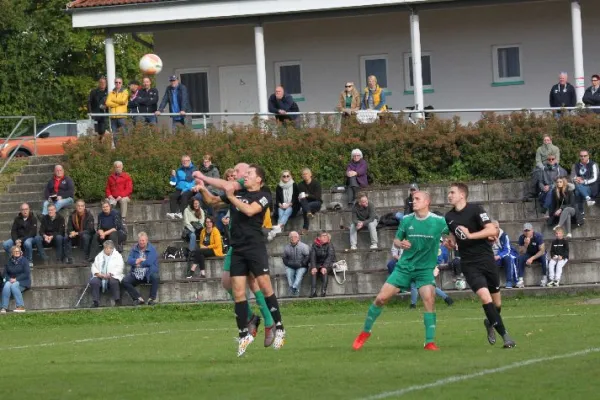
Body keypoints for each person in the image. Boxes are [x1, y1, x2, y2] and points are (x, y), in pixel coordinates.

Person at [193, 163, 277, 349]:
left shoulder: (253, 189)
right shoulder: (241, 188)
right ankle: (252, 317)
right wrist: (203, 188)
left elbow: (228, 188)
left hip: (251, 242)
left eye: (239, 172)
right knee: (227, 282)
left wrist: (204, 178)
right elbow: (214, 201)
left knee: (253, 283)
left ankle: (268, 321)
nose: (236, 175)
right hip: (237, 244)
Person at [352, 191, 449, 351]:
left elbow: (453, 233)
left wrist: (451, 241)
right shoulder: (406, 220)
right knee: (381, 299)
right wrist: (400, 243)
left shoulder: (439, 221)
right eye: (412, 199)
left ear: (427, 202)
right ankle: (365, 332)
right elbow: (396, 240)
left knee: (429, 301)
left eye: (417, 199)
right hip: (404, 267)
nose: (413, 201)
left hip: (425, 269)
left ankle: (429, 342)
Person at [213, 164, 286, 356]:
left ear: (258, 178)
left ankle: (277, 327)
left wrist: (229, 196)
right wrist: (201, 182)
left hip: (254, 246)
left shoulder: (264, 194)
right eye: (239, 173)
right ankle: (245, 333)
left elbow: (249, 211)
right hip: (237, 248)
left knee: (262, 286)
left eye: (247, 173)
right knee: (236, 290)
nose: (241, 176)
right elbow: (217, 193)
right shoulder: (239, 190)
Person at [444, 182, 516, 348]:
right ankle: (506, 337)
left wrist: (470, 235)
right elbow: (454, 236)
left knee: (497, 304)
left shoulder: (476, 210)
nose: (449, 195)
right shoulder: (449, 217)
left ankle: (490, 322)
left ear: (462, 195)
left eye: (452, 192)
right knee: (485, 297)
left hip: (486, 260)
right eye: (449, 193)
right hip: (469, 263)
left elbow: (492, 231)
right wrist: (451, 242)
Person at [409, 240, 454, 308]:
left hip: (425, 267)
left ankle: (413, 304)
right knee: (429, 285)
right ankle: (447, 299)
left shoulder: (432, 247)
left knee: (414, 284)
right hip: (426, 267)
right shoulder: (433, 246)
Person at [2, 203, 45, 267]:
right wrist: (16, 240)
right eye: (23, 209)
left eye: (26, 209)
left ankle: (29, 261)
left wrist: (20, 240)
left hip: (29, 238)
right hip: (18, 239)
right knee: (5, 244)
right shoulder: (17, 219)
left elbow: (33, 233)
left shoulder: (33, 219)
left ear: (29, 209)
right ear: (21, 211)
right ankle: (15, 259)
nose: (25, 211)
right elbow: (13, 231)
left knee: (27, 243)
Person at [123, 232, 160, 306]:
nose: (141, 242)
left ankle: (151, 299)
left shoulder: (152, 249)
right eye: (140, 240)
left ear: (146, 240)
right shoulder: (134, 249)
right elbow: (129, 260)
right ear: (138, 241)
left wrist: (139, 264)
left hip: (148, 274)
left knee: (156, 277)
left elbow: (149, 262)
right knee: (125, 281)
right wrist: (137, 260)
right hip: (136, 274)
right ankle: (138, 298)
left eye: (143, 240)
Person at [89, 240, 124, 308]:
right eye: (105, 248)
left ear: (112, 249)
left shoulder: (117, 256)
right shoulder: (99, 256)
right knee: (94, 281)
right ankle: (95, 301)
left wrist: (110, 274)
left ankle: (117, 300)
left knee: (113, 281)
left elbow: (120, 267)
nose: (107, 250)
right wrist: (98, 274)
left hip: (112, 276)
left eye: (109, 248)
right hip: (101, 276)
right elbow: (94, 266)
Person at [0, 246, 31, 313]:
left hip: (22, 282)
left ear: (20, 252)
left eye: (18, 251)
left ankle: (20, 306)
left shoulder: (24, 260)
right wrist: (9, 279)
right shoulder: (9, 261)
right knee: (7, 284)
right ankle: (3, 307)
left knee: (14, 285)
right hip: (11, 281)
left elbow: (26, 273)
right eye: (15, 251)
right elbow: (4, 274)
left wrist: (16, 279)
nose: (17, 252)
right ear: (12, 253)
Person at [64, 199, 95, 264]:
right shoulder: (72, 215)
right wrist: (71, 232)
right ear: (76, 207)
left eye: (82, 206)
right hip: (77, 236)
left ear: (84, 207)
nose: (80, 207)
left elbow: (90, 230)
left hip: (87, 236)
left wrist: (77, 233)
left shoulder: (89, 215)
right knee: (67, 238)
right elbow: (69, 228)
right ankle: (69, 258)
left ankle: (86, 257)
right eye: (78, 206)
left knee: (85, 236)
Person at [167, 155, 198, 219]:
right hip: (179, 189)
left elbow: (195, 182)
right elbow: (173, 183)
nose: (185, 162)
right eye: (183, 161)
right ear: (181, 162)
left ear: (190, 161)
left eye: (186, 160)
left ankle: (182, 213)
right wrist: (173, 176)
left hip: (190, 189)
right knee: (172, 196)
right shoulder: (179, 170)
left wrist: (186, 189)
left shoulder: (194, 170)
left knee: (184, 195)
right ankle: (173, 213)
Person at [517, 223, 547, 287]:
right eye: (525, 230)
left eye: (528, 230)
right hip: (529, 253)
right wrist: (526, 245)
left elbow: (542, 251)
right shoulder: (522, 237)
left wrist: (532, 258)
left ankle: (544, 277)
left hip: (538, 253)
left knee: (544, 258)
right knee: (520, 258)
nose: (527, 232)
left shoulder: (538, 236)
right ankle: (520, 280)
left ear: (532, 230)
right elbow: (521, 252)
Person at [491, 221, 518, 289]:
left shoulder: (504, 235)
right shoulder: (487, 236)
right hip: (491, 256)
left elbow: (507, 250)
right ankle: (495, 283)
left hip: (501, 256)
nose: (495, 229)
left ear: (498, 227)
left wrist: (499, 256)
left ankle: (509, 281)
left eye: (496, 228)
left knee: (508, 258)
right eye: (493, 228)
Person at [309, 231, 336, 298]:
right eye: (323, 236)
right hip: (318, 264)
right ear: (319, 238)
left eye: (326, 236)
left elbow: (330, 257)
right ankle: (313, 291)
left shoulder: (330, 244)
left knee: (324, 271)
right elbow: (312, 257)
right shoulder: (314, 245)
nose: (325, 237)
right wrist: (313, 267)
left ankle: (323, 291)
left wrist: (324, 267)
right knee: (313, 271)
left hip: (329, 263)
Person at [282, 231, 310, 297]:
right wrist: (288, 264)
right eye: (291, 237)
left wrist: (302, 264)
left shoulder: (304, 246)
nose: (293, 238)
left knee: (299, 275)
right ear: (289, 238)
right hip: (291, 266)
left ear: (298, 238)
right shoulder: (286, 247)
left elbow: (308, 256)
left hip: (301, 266)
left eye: (295, 237)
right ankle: (294, 290)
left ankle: (293, 288)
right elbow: (284, 258)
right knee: (289, 273)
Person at [571, 149, 598, 214]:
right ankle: (588, 199)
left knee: (578, 189)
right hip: (580, 186)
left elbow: (595, 178)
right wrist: (576, 178)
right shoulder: (575, 165)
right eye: (581, 156)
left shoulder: (593, 164)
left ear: (588, 156)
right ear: (579, 157)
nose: (583, 157)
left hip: (591, 187)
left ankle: (581, 211)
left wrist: (584, 181)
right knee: (577, 188)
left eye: (585, 156)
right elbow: (572, 176)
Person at [273, 170, 300, 235]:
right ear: (281, 177)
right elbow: (277, 200)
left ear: (290, 176)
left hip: (292, 205)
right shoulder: (279, 186)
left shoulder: (294, 185)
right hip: (282, 205)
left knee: (287, 211)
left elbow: (296, 198)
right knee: (280, 212)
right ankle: (279, 229)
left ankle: (279, 226)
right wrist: (280, 205)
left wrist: (289, 204)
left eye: (288, 176)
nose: (286, 177)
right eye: (284, 176)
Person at [297, 168, 322, 235]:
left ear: (310, 174)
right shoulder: (300, 185)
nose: (305, 175)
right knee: (302, 199)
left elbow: (317, 197)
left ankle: (305, 228)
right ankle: (309, 212)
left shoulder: (316, 184)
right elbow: (300, 196)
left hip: (316, 203)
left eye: (306, 174)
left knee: (305, 208)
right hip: (305, 203)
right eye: (303, 174)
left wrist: (307, 195)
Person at [105, 77, 129, 143]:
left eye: (119, 82)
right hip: (113, 117)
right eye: (116, 82)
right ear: (114, 83)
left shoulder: (125, 91)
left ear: (122, 83)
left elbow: (123, 101)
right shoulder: (111, 93)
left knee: (125, 135)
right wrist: (117, 104)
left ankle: (126, 149)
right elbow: (107, 103)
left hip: (122, 117)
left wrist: (112, 100)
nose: (118, 83)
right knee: (115, 136)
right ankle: (117, 150)